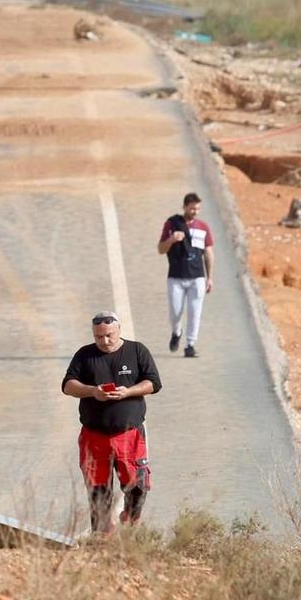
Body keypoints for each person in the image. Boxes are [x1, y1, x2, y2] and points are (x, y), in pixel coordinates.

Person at [61, 310, 163, 534]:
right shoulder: (85, 355)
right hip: (94, 436)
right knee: (98, 491)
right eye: (98, 336)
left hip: (129, 435)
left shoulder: (137, 351)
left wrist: (128, 392)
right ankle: (101, 537)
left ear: (119, 330)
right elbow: (68, 385)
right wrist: (92, 391)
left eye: (109, 335)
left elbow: (154, 383)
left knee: (137, 486)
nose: (104, 341)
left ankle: (130, 520)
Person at [157, 192, 215, 358]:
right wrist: (172, 240)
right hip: (176, 276)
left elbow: (209, 252)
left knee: (195, 311)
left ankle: (190, 344)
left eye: (197, 208)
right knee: (175, 312)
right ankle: (177, 332)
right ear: (184, 207)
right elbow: (160, 249)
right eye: (192, 208)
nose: (195, 211)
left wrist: (209, 277)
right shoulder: (172, 223)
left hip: (197, 277)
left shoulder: (203, 227)